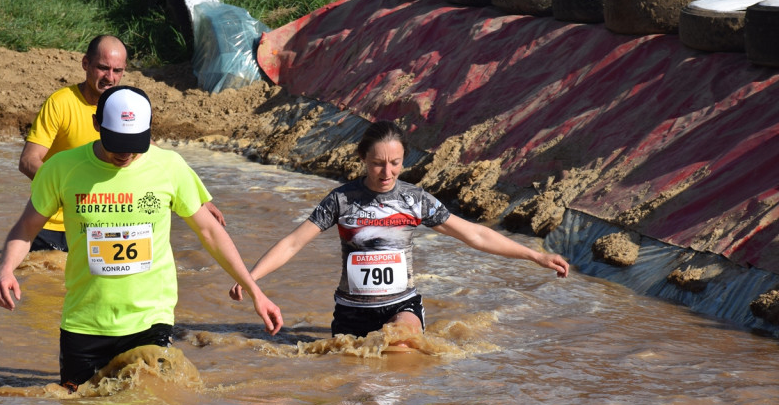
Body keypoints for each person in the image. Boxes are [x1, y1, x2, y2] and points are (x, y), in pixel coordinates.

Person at [0, 86, 283, 392]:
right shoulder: (62, 169)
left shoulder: (169, 166)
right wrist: (6, 269)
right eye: (117, 143)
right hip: (84, 323)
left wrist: (255, 291)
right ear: (96, 125)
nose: (125, 154)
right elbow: (26, 228)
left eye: (134, 144)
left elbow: (210, 231)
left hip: (149, 321)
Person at [230, 120, 569, 342]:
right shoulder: (341, 199)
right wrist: (251, 278)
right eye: (378, 163)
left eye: (395, 163)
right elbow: (292, 243)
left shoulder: (414, 200)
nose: (387, 171)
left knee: (400, 350)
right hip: (351, 313)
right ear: (364, 159)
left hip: (401, 306)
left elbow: (474, 234)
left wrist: (535, 255)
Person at [19, 34, 223, 252]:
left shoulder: (127, 105)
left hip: (103, 223)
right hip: (55, 225)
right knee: (44, 281)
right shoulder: (60, 103)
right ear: (85, 63)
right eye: (103, 68)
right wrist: (67, 193)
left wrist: (199, 202)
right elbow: (29, 160)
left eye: (117, 71)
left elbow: (159, 158)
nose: (110, 77)